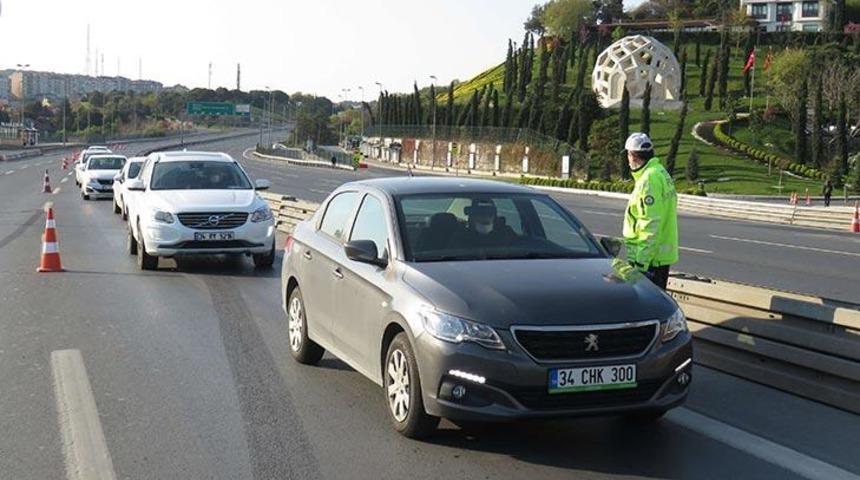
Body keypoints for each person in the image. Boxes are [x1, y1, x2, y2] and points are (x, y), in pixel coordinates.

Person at [622, 133, 679, 290]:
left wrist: (641, 264)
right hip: (658, 258)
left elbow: (650, 224)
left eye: (628, 155)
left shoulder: (648, 180)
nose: (627, 160)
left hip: (649, 262)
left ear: (633, 156)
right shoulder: (660, 172)